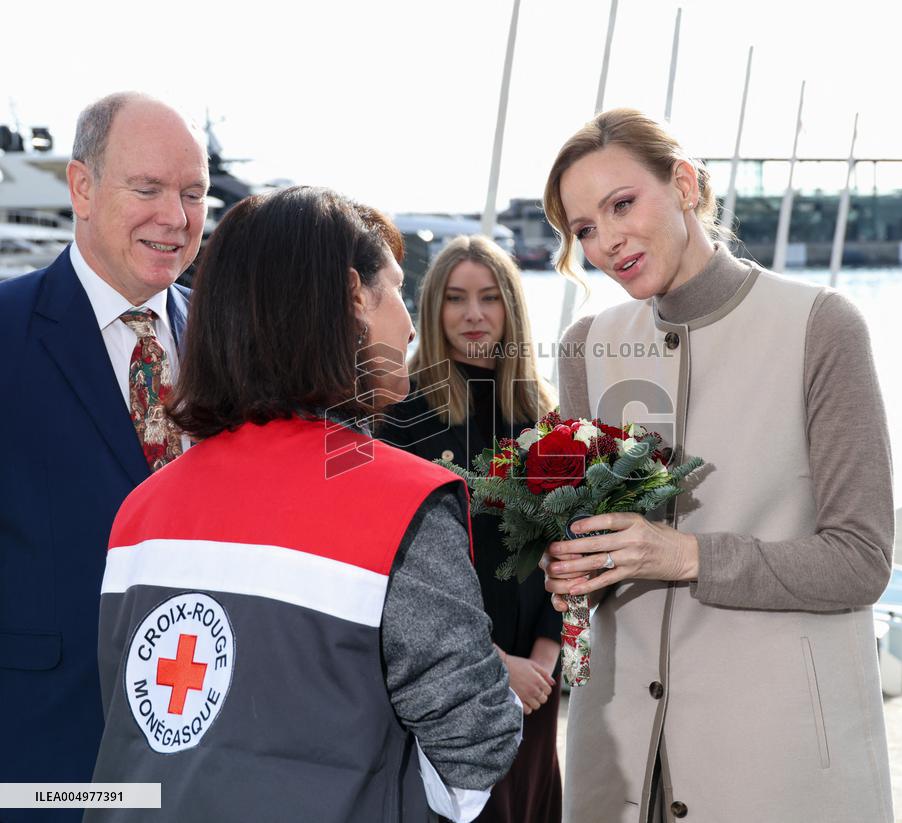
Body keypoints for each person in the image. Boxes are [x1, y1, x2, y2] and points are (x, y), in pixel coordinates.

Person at [85, 188, 522, 823]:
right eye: (397, 291)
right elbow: (476, 742)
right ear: (353, 297)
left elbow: (148, 725)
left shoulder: (142, 509)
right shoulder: (402, 504)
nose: (408, 323)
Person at [540, 109, 894, 823]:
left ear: (685, 184)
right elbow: (595, 554)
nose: (607, 241)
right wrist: (572, 573)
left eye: (622, 204)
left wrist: (687, 555)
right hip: (622, 762)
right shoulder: (586, 346)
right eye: (583, 229)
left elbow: (861, 560)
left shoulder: (820, 327)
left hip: (775, 762)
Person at [0, 92, 208, 809]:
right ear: (81, 187)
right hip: (42, 759)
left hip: (204, 761)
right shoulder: (6, 333)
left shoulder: (232, 344)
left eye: (192, 193)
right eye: (147, 189)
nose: (176, 218)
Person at [379, 235, 562, 823]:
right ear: (432, 312)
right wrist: (491, 663)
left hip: (537, 687)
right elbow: (399, 572)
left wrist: (543, 658)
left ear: (512, 307)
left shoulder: (543, 418)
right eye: (456, 299)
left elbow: (571, 546)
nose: (474, 315)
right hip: (453, 685)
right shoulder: (400, 420)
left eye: (489, 298)